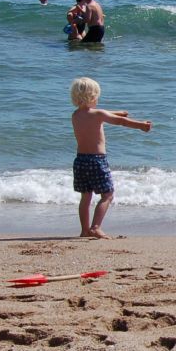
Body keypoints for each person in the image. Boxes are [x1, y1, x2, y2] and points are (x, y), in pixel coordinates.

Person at [69, 76, 152, 239]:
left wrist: (116, 112)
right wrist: (141, 125)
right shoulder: (99, 114)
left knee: (85, 196)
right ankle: (96, 227)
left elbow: (96, 115)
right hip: (96, 161)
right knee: (107, 195)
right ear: (93, 97)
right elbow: (121, 122)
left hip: (80, 161)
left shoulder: (75, 115)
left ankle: (85, 230)